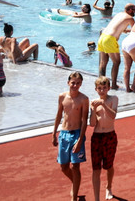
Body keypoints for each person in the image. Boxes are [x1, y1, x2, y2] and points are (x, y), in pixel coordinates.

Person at [53, 71, 89, 201]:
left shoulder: (84, 99)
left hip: (77, 133)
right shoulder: (62, 97)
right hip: (64, 133)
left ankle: (74, 196)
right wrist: (54, 133)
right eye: (73, 82)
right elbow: (58, 115)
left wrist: (80, 140)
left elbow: (85, 120)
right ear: (68, 82)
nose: (75, 85)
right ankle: (76, 184)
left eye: (78, 83)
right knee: (64, 167)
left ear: (81, 84)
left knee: (75, 166)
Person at [89, 75, 119, 201]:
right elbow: (92, 124)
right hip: (97, 137)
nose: (102, 91)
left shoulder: (113, 99)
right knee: (96, 168)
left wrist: (104, 105)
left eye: (104, 88)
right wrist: (94, 110)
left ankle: (109, 186)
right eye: (99, 88)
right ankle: (97, 198)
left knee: (109, 166)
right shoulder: (93, 103)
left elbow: (113, 116)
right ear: (96, 89)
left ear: (108, 88)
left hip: (110, 135)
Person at [98, 4, 135, 89]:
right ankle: (114, 85)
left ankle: (101, 83)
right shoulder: (130, 18)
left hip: (103, 36)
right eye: (134, 10)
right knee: (116, 62)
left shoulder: (119, 14)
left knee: (103, 62)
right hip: (110, 39)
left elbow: (121, 29)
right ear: (130, 10)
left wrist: (126, 31)